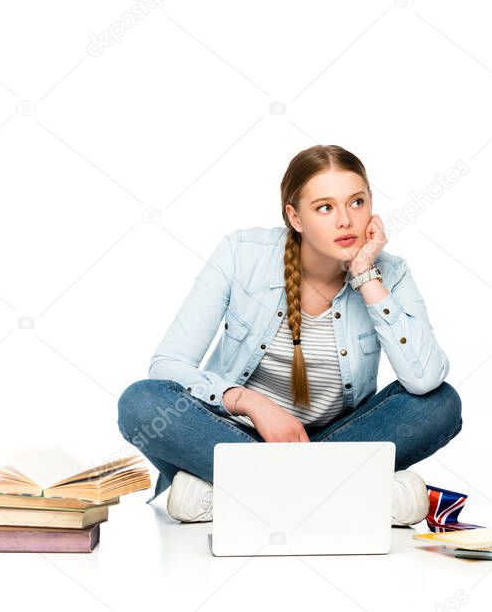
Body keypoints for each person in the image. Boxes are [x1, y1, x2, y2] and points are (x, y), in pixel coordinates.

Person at [117, 145, 462, 525]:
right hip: (237, 436)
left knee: (440, 404)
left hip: (342, 439)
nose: (346, 220)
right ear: (295, 217)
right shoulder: (241, 254)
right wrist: (249, 402)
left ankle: (228, 494)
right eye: (325, 207)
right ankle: (346, 494)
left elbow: (425, 376)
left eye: (357, 202)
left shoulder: (389, 273)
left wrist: (365, 275)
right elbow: (168, 366)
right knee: (141, 403)